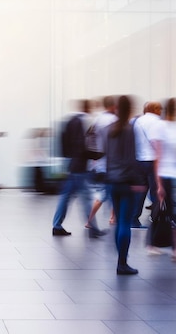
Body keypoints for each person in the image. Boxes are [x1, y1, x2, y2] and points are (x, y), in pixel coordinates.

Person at [147, 98, 176, 262]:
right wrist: (159, 184)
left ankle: (152, 245)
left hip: (174, 174)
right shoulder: (160, 127)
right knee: (170, 213)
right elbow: (157, 157)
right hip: (164, 175)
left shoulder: (175, 127)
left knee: (163, 211)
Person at [52, 100, 107, 238]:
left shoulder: (71, 120)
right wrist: (97, 155)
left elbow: (64, 142)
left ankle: (57, 225)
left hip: (73, 165)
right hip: (80, 167)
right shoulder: (81, 121)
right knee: (86, 198)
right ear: (87, 107)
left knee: (65, 197)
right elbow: (81, 146)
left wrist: (68, 158)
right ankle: (93, 229)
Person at [105, 95, 146, 275]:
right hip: (126, 181)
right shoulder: (129, 130)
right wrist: (137, 180)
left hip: (112, 181)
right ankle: (122, 263)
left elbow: (108, 157)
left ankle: (120, 260)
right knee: (124, 223)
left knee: (119, 222)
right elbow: (131, 159)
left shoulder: (109, 129)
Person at [131, 101, 164, 228]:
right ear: (155, 109)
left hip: (139, 160)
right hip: (153, 160)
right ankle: (156, 218)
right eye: (160, 108)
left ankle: (134, 219)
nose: (161, 111)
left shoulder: (137, 121)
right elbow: (157, 141)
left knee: (140, 191)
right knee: (157, 190)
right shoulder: (158, 122)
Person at [86, 96, 117, 228]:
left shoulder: (97, 119)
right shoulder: (113, 120)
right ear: (112, 106)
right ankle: (90, 220)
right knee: (105, 194)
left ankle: (112, 218)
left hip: (100, 162)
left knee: (111, 192)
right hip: (111, 162)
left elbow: (89, 137)